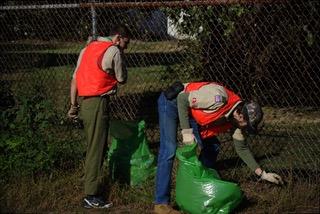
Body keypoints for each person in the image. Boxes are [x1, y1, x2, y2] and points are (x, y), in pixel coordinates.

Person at [154, 81, 284, 214]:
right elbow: (182, 99)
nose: (245, 128)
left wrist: (263, 174)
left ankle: (198, 186)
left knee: (212, 146)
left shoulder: (237, 118)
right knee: (169, 149)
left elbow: (242, 148)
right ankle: (161, 204)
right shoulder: (217, 98)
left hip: (191, 110)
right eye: (246, 124)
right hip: (172, 102)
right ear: (239, 114)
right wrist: (187, 133)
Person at [67, 24, 131, 209]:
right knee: (97, 149)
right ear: (118, 38)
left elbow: (75, 79)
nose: (124, 47)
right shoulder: (113, 51)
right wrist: (120, 58)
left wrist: (73, 106)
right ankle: (91, 195)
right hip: (98, 103)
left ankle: (90, 183)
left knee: (94, 146)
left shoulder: (87, 49)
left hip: (85, 103)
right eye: (125, 43)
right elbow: (122, 78)